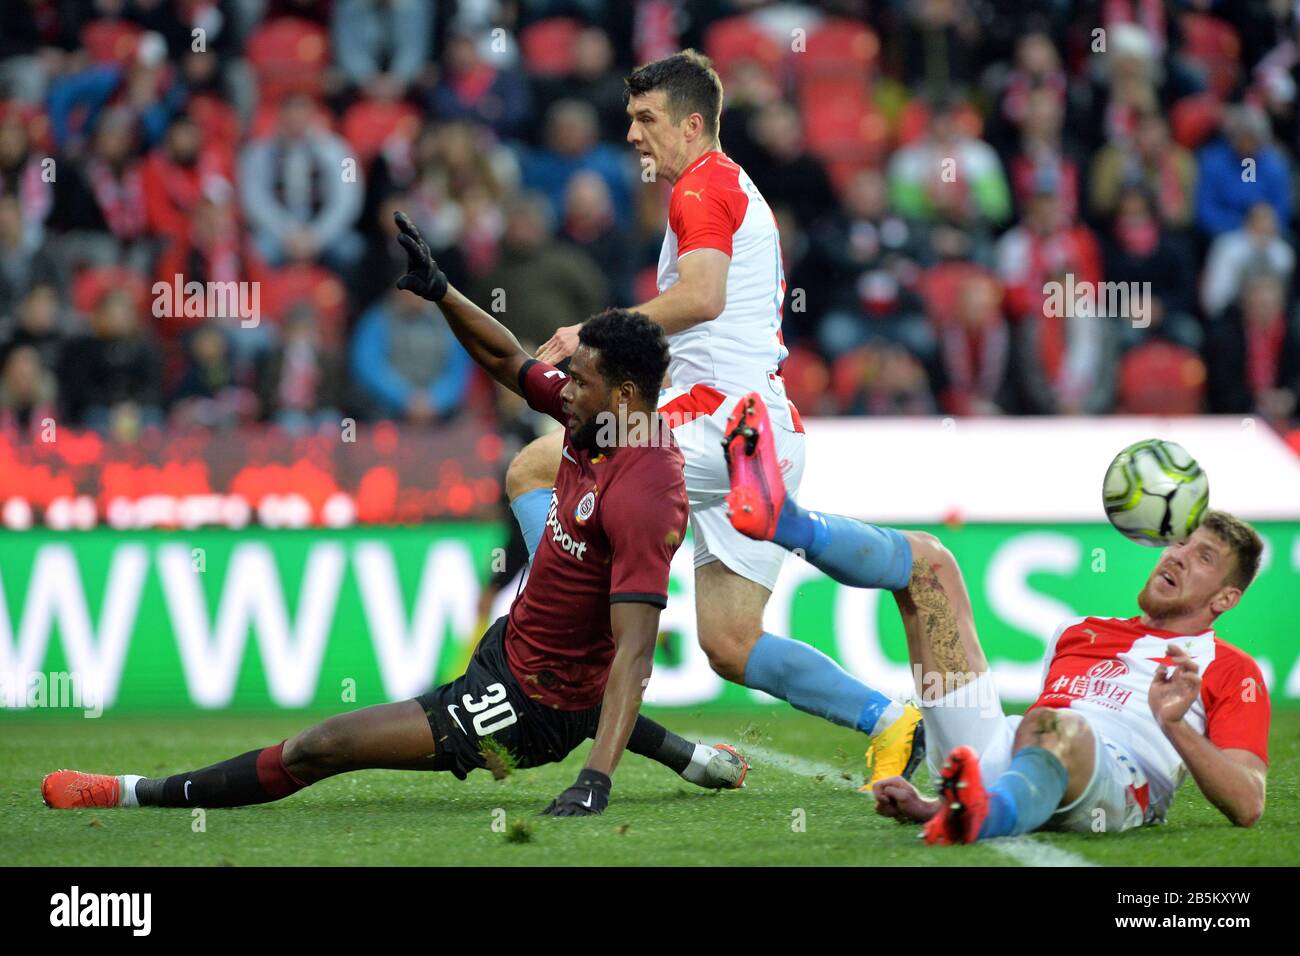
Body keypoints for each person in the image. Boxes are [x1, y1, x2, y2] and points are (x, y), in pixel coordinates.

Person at [41, 212, 747, 817]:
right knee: (534, 504)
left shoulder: (649, 489)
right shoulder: (597, 418)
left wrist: (595, 781)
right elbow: (507, 359)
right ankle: (690, 758)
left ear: (624, 395)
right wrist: (443, 292)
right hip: (514, 648)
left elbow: (633, 654)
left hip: (527, 708)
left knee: (323, 747)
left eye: (580, 381)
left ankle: (130, 792)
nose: (563, 389)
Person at [509, 50, 924, 792]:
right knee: (731, 645)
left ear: (692, 123)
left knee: (536, 467)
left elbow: (700, 297)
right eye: (630, 119)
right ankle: (890, 719)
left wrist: (590, 333)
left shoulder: (701, 188)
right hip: (759, 431)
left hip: (716, 420)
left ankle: (559, 637)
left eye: (646, 119)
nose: (634, 135)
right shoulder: (730, 187)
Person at [722, 393, 1270, 844]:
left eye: (1203, 558)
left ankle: (977, 818)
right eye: (1181, 544)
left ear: (1224, 600)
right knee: (930, 564)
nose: (1176, 555)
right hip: (1013, 749)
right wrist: (930, 803)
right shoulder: (1079, 634)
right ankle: (784, 520)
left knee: (1055, 725)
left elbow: (1247, 804)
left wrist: (1174, 724)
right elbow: (1033, 758)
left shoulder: (1229, 670)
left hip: (1116, 781)